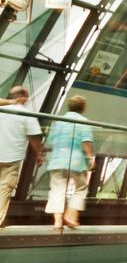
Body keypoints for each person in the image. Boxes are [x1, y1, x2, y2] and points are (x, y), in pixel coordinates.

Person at [42, 95, 95, 233]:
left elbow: (52, 140)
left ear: (69, 106)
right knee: (81, 188)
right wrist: (91, 157)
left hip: (57, 160)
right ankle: (71, 214)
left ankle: (58, 221)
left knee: (57, 190)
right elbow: (86, 142)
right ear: (83, 108)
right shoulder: (84, 121)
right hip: (76, 161)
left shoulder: (59, 121)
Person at [0, 85, 43, 227]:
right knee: (5, 188)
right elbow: (34, 138)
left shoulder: (2, 108)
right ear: (22, 97)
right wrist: (39, 154)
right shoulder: (27, 114)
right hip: (12, 157)